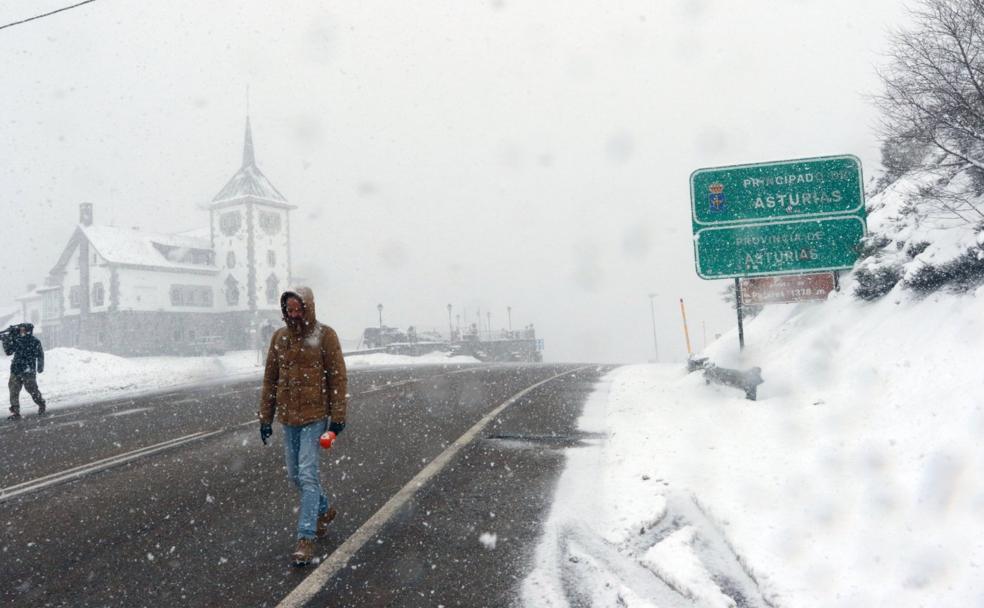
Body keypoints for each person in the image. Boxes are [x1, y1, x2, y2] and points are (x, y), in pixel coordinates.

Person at [258, 287, 348, 566]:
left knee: (308, 475)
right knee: (294, 476)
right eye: (290, 309)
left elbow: (338, 379)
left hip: (315, 415)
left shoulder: (325, 336)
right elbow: (270, 380)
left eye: (298, 309)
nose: (294, 314)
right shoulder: (279, 338)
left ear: (308, 307)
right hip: (288, 418)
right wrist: (265, 417)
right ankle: (324, 509)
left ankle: (306, 538)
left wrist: (337, 419)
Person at [3, 323, 46, 420]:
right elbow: (8, 352)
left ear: (28, 330)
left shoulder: (34, 341)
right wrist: (5, 340)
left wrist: (40, 366)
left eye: (23, 329)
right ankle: (15, 412)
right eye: (20, 329)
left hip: (28, 370)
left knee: (32, 390)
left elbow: (40, 355)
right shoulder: (17, 340)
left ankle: (41, 403)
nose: (21, 331)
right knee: (13, 390)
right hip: (16, 369)